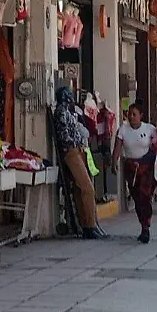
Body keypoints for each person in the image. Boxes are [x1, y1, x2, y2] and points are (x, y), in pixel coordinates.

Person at [52, 86, 100, 238]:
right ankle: (90, 225)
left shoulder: (69, 112)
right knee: (87, 188)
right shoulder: (61, 112)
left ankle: (86, 224)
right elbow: (64, 136)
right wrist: (75, 144)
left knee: (81, 189)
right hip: (71, 151)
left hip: (78, 149)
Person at [112, 101, 157, 244]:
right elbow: (118, 148)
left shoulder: (150, 129)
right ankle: (142, 223)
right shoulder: (123, 130)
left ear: (141, 116)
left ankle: (146, 226)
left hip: (146, 167)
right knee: (137, 197)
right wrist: (114, 162)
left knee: (145, 196)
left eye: (134, 114)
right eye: (129, 114)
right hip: (131, 167)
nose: (131, 117)